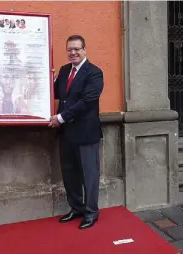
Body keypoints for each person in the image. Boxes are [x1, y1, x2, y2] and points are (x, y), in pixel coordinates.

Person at [49, 35, 104, 230]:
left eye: (77, 49)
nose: (73, 53)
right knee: (69, 172)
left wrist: (61, 117)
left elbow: (87, 102)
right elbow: (55, 94)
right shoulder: (64, 71)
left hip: (86, 133)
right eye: (69, 49)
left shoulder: (94, 73)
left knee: (89, 175)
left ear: (84, 50)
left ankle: (91, 212)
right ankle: (76, 208)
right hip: (67, 133)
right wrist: (47, 79)